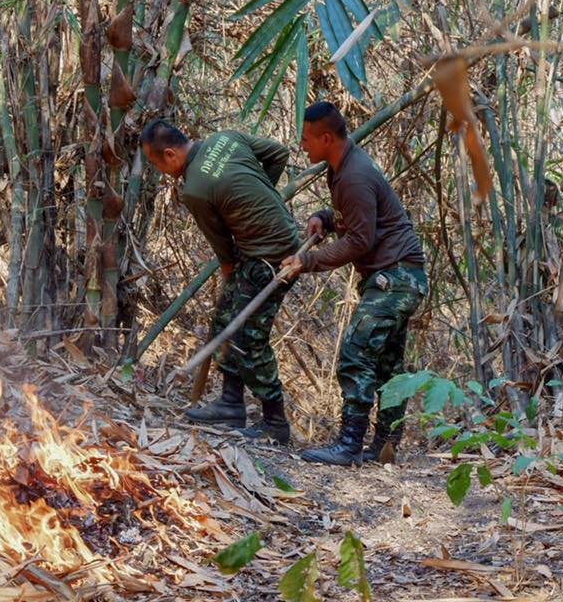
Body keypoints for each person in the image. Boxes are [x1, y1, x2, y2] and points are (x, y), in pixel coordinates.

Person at [282, 102, 427, 465]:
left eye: (306, 139)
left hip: (395, 277)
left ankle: (349, 445)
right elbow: (358, 216)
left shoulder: (354, 174)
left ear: (326, 138)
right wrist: (326, 218)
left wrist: (307, 261)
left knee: (356, 353)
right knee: (387, 364)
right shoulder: (343, 168)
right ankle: (386, 444)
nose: (303, 147)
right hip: (399, 276)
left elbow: (360, 240)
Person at [140, 120, 300, 443]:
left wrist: (252, 205)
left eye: (157, 164)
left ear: (170, 155)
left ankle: (276, 423)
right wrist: (258, 194)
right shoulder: (227, 138)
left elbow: (224, 252)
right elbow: (278, 154)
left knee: (246, 336)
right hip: (279, 240)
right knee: (225, 317)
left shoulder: (194, 190)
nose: (159, 171)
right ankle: (230, 403)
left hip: (272, 258)